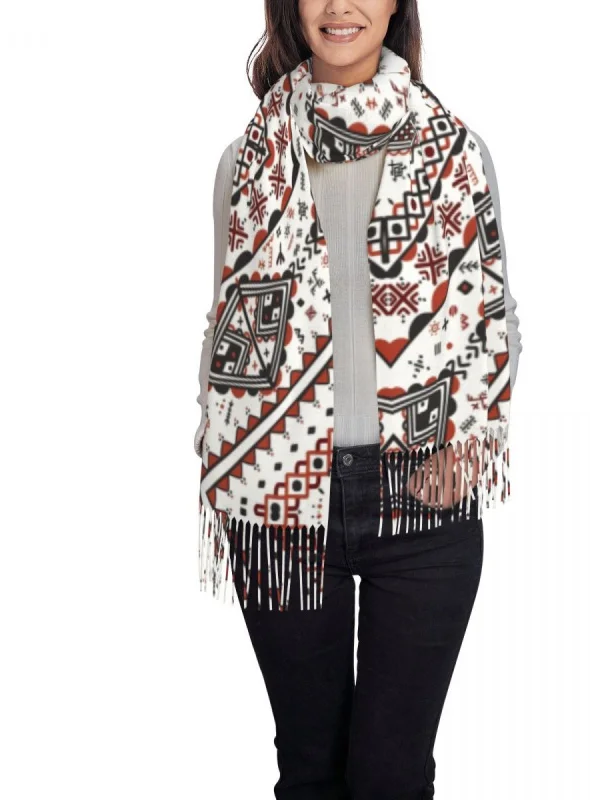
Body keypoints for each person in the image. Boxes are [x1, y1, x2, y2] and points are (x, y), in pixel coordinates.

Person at [195, 1, 522, 797]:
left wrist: (460, 444)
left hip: (423, 497)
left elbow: (496, 323)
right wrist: (235, 450)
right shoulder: (247, 160)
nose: (340, 5)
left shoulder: (457, 151)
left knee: (391, 777)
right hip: (275, 498)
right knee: (308, 770)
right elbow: (226, 328)